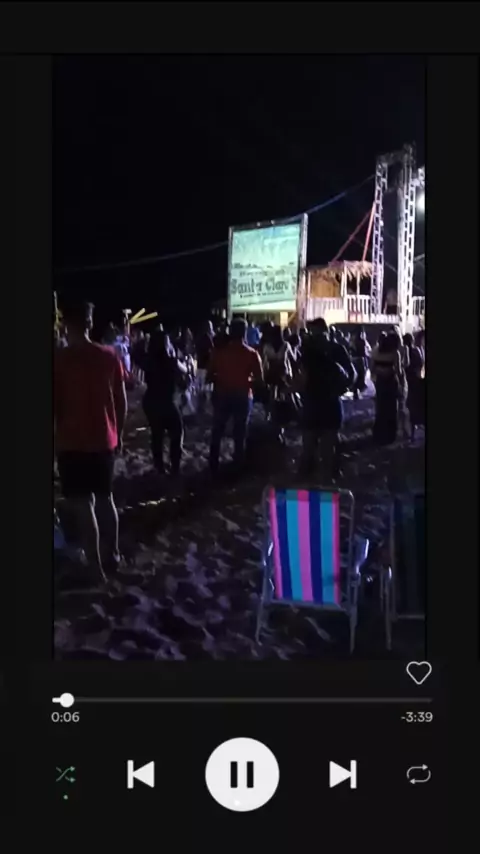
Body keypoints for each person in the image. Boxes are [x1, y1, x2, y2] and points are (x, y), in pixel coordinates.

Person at [54, 300, 127, 582]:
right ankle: (114, 554)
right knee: (106, 500)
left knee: (83, 505)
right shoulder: (109, 356)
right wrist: (119, 433)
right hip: (104, 439)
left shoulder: (60, 361)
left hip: (72, 441)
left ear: (65, 323)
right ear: (90, 322)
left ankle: (96, 569)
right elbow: (121, 401)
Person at [298, 317, 356, 478]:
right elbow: (351, 374)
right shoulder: (332, 349)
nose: (313, 335)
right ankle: (326, 475)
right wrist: (341, 389)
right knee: (325, 444)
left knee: (313, 443)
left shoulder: (311, 351)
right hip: (326, 402)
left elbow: (301, 378)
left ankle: (314, 475)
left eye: (314, 331)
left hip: (316, 403)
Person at [207, 318, 263, 473]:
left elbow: (209, 376)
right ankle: (238, 464)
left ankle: (213, 463)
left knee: (217, 430)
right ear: (245, 333)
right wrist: (245, 380)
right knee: (240, 432)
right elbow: (260, 380)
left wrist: (222, 378)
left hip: (222, 393)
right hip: (243, 395)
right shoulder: (252, 354)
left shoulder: (219, 352)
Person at [138, 329, 187, 476]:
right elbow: (184, 375)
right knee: (177, 432)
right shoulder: (171, 361)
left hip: (151, 401)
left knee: (156, 434)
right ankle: (175, 466)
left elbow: (137, 354)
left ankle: (159, 466)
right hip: (167, 402)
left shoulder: (147, 361)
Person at [371, 330, 405, 444]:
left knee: (380, 407)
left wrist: (379, 372)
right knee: (391, 408)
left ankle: (379, 433)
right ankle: (390, 434)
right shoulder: (395, 353)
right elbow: (398, 371)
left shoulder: (376, 351)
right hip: (391, 382)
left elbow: (372, 368)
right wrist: (401, 385)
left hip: (380, 382)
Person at [403, 331, 425, 440]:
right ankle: (412, 431)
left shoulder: (417, 350)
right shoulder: (414, 351)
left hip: (414, 382)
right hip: (416, 383)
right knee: (415, 407)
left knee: (414, 407)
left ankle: (411, 431)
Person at [195, 321, 215, 412]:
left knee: (201, 389)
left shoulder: (199, 337)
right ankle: (204, 408)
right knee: (206, 389)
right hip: (205, 367)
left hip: (200, 366)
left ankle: (200, 407)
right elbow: (212, 351)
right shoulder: (207, 338)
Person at [350, 327, 371, 400]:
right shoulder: (363, 341)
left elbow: (351, 350)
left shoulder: (352, 341)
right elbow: (365, 352)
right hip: (361, 359)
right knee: (361, 375)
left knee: (356, 376)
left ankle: (355, 391)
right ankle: (358, 390)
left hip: (354, 359)